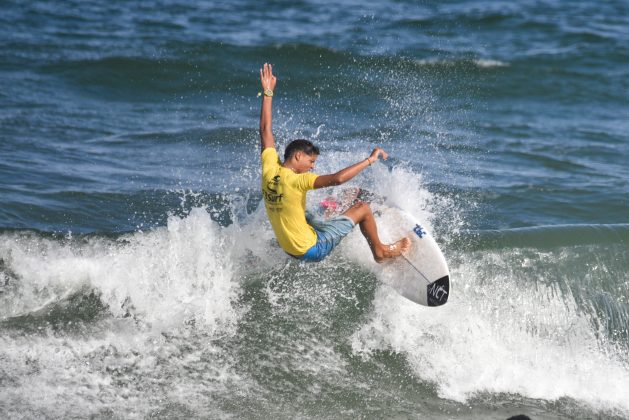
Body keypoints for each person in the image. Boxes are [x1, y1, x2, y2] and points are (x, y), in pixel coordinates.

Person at [259, 63, 410, 263]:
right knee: (363, 207)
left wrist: (268, 92)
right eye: (310, 161)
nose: (312, 166)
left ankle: (335, 213)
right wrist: (369, 160)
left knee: (309, 210)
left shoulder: (270, 169)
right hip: (312, 249)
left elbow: (265, 130)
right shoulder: (297, 181)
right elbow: (337, 179)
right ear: (297, 157)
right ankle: (381, 251)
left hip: (290, 248)